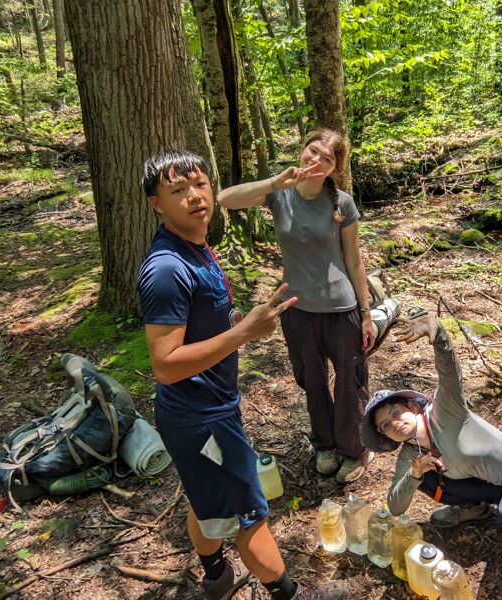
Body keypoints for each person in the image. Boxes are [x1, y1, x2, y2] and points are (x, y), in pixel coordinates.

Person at [137, 150, 346, 600]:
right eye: (177, 191)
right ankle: (290, 593)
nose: (195, 197)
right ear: (156, 203)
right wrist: (244, 332)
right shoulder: (167, 269)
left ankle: (215, 574)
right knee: (250, 516)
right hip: (201, 417)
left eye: (200, 185)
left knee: (204, 498)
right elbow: (164, 364)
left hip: (205, 411)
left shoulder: (194, 246)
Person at [218, 129, 375, 483]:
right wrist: (276, 181)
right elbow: (225, 199)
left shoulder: (342, 204)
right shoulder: (280, 196)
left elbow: (354, 262)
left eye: (327, 159)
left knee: (349, 382)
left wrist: (366, 315)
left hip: (342, 310)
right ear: (302, 150)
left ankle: (354, 449)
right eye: (312, 151)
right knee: (312, 381)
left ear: (335, 169)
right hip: (298, 310)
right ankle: (324, 444)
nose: (316, 161)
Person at [360, 314, 502, 586]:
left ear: (411, 407)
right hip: (485, 483)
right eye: (386, 426)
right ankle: (476, 508)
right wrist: (413, 476)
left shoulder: (445, 412)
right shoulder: (411, 453)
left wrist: (438, 335)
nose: (395, 424)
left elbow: (449, 372)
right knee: (423, 477)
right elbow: (396, 506)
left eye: (396, 413)